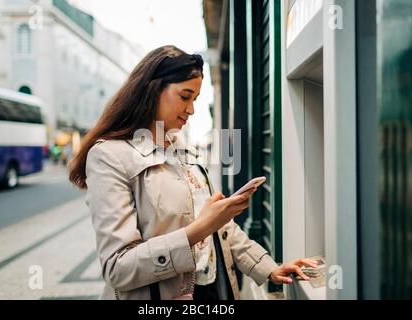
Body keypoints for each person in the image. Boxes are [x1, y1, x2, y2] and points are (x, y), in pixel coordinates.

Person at [68, 45, 317, 300]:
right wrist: (200, 228)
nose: (191, 110)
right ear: (152, 90)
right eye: (185, 96)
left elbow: (222, 231)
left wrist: (271, 269)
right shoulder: (109, 156)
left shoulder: (183, 149)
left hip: (213, 291)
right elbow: (118, 268)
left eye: (195, 99)